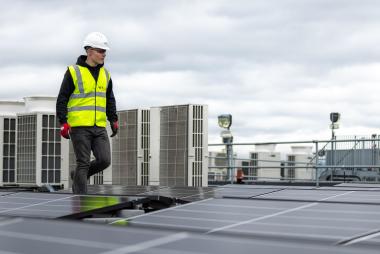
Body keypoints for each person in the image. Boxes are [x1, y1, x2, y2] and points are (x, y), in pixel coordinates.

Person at [56, 32, 118, 194]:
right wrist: (63, 122)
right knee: (83, 162)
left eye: (105, 51)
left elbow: (109, 98)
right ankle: (80, 201)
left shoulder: (106, 74)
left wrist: (113, 119)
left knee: (104, 160)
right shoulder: (73, 71)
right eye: (100, 51)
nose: (104, 54)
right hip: (79, 126)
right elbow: (62, 98)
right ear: (89, 51)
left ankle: (77, 176)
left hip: (99, 126)